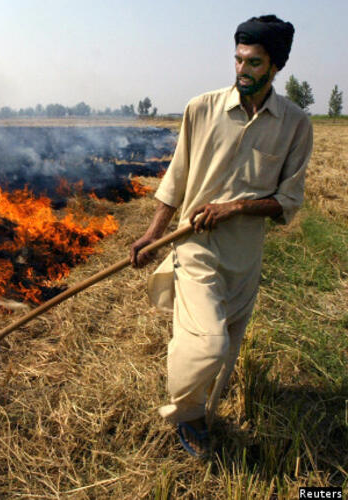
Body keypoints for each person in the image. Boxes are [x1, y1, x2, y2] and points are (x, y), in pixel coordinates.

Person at [129, 14, 313, 458]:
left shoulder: (295, 124)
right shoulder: (201, 108)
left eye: (254, 62)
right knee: (207, 344)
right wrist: (153, 233)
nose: (243, 70)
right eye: (238, 60)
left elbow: (287, 201)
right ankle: (186, 417)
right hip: (194, 247)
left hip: (245, 257)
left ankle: (200, 411)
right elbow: (177, 178)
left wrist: (236, 207)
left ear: (276, 66)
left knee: (225, 348)